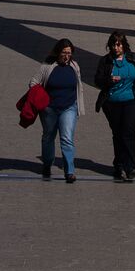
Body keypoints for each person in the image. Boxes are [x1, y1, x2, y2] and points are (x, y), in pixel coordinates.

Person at [30, 38, 84, 182]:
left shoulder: (75, 66)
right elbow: (33, 82)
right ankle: (47, 164)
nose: (66, 56)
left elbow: (79, 87)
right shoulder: (47, 66)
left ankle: (69, 171)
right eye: (64, 52)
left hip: (69, 107)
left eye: (69, 53)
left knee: (67, 138)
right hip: (49, 109)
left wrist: (79, 105)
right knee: (48, 137)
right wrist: (41, 99)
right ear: (57, 52)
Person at [95, 31, 135, 182]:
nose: (116, 47)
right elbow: (97, 80)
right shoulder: (105, 61)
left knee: (129, 133)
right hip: (112, 103)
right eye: (113, 44)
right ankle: (119, 165)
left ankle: (130, 167)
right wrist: (110, 80)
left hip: (130, 101)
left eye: (119, 44)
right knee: (118, 134)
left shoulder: (133, 58)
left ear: (124, 45)